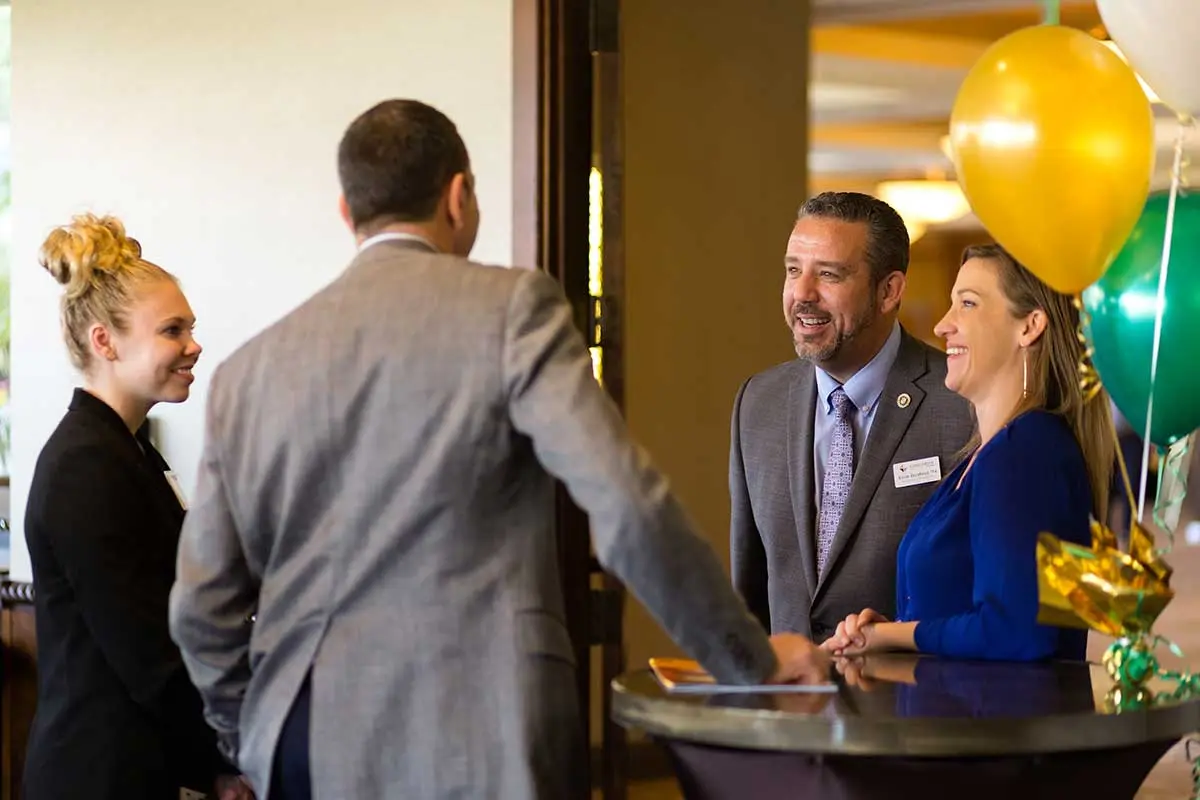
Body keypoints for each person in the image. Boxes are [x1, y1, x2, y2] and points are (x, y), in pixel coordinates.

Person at [168, 98, 828, 800]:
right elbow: (629, 508)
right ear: (459, 197)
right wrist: (747, 662)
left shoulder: (249, 371)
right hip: (477, 740)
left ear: (346, 212)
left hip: (301, 743)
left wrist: (251, 733)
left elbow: (199, 605)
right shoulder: (511, 310)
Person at [22, 215, 250, 799]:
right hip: (97, 774)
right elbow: (148, 657)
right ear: (106, 341)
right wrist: (223, 762)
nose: (194, 346)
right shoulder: (86, 467)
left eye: (191, 329)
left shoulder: (126, 450)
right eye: (172, 331)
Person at [823, 243, 1115, 662]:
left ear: (1029, 326)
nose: (943, 326)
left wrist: (896, 636)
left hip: (995, 725)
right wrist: (889, 630)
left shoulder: (1025, 450)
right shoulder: (989, 454)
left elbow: (1019, 633)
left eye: (968, 304)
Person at [731, 192, 973, 642]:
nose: (802, 294)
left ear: (889, 291)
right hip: (793, 705)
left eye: (828, 274)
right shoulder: (757, 403)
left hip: (915, 702)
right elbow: (750, 593)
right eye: (792, 270)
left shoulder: (962, 403)